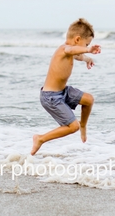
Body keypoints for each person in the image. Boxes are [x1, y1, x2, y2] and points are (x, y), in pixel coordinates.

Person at [31, 18, 101, 155]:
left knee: (89, 99)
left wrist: (87, 58)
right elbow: (71, 50)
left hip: (63, 91)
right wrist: (88, 49)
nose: (86, 47)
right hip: (51, 97)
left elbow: (78, 55)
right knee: (71, 127)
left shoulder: (71, 51)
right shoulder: (65, 49)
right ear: (77, 39)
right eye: (86, 43)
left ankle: (83, 125)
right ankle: (40, 138)